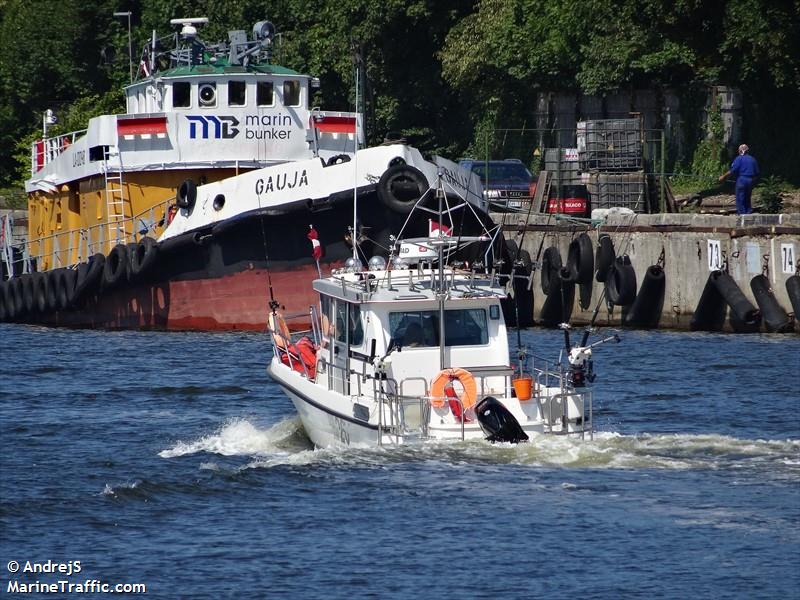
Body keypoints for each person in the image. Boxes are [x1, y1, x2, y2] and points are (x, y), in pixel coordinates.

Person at [719, 144, 759, 215]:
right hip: (750, 180)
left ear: (740, 151)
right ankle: (748, 213)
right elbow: (757, 173)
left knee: (740, 198)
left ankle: (741, 215)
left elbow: (732, 170)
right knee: (747, 197)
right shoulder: (753, 159)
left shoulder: (739, 158)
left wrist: (723, 177)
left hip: (742, 180)